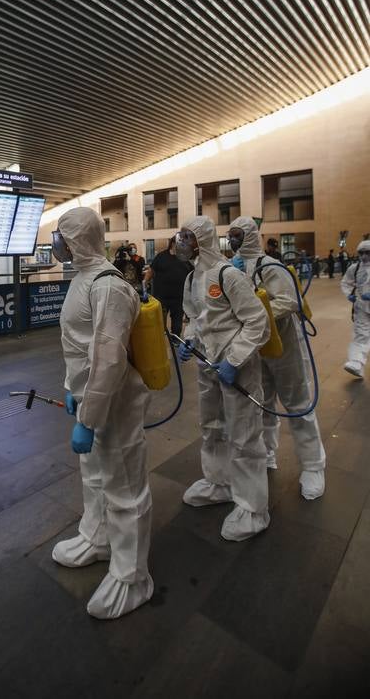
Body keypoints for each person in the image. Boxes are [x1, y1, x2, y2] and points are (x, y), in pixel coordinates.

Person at [50, 207, 153, 619]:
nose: (56, 243)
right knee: (94, 476)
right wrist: (72, 392)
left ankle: (132, 576)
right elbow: (78, 345)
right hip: (91, 398)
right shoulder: (83, 280)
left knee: (125, 487)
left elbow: (109, 359)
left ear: (76, 240)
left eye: (61, 236)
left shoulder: (109, 286)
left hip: (115, 402)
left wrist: (89, 419)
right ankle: (97, 538)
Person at [177, 216, 270, 541]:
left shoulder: (228, 275)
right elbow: (194, 317)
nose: (180, 241)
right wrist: (189, 338)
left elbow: (257, 322)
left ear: (201, 240)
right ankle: (219, 482)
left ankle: (253, 508)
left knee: (244, 434)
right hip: (207, 363)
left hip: (236, 364)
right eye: (181, 235)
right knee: (211, 425)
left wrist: (233, 359)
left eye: (187, 236)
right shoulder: (192, 279)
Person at [229, 216, 325, 500]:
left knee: (297, 403)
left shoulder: (271, 266)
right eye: (231, 235)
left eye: (237, 235)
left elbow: (290, 300)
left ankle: (313, 465)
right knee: (263, 403)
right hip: (256, 347)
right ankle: (268, 451)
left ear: (249, 235)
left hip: (283, 345)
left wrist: (256, 313)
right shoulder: (233, 267)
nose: (233, 241)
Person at [144, 236, 192, 336]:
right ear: (173, 243)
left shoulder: (185, 257)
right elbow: (151, 270)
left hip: (179, 297)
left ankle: (175, 340)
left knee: (177, 323)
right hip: (161, 297)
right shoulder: (161, 256)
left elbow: (192, 274)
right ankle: (160, 340)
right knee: (160, 322)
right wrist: (145, 281)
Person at [341, 239, 370, 378]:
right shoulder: (355, 268)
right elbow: (346, 282)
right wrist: (349, 295)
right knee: (361, 334)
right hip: (361, 307)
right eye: (361, 253)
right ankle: (356, 363)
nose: (364, 256)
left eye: (367, 253)